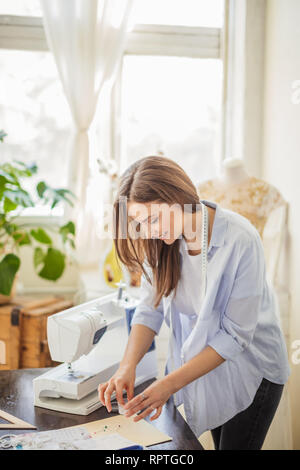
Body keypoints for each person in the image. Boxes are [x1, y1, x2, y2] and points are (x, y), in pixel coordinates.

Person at [98, 155, 290, 450]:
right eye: (139, 222)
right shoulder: (160, 243)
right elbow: (151, 308)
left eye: (152, 219)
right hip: (208, 367)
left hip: (252, 367)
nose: (148, 230)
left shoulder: (241, 239)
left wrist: (168, 385)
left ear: (177, 197)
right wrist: (127, 367)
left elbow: (235, 336)